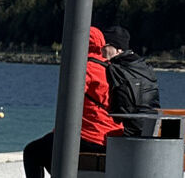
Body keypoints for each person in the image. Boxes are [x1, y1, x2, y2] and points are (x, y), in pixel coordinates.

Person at [23, 27, 125, 178]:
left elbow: (69, 103)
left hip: (90, 138)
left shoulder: (85, 69)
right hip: (112, 138)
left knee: (32, 151)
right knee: (49, 149)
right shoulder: (112, 69)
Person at [98, 26, 161, 134]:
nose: (101, 49)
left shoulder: (114, 69)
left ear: (118, 49)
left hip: (130, 131)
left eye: (105, 45)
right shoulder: (146, 67)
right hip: (150, 128)